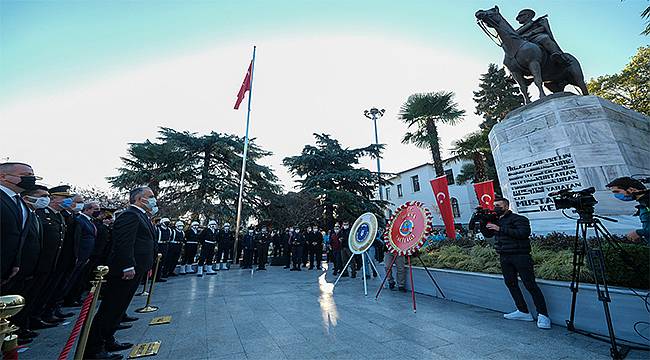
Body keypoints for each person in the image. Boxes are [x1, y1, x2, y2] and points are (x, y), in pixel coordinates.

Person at [85, 186, 157, 360]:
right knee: (110, 308)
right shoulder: (130, 215)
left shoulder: (141, 215)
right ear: (140, 199)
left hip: (136, 268)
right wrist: (127, 265)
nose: (155, 199)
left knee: (119, 307)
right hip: (126, 270)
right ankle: (94, 349)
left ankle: (108, 339)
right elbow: (124, 243)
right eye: (151, 196)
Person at [481, 197, 550, 330]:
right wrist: (483, 221)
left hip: (520, 255)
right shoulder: (497, 220)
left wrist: (499, 228)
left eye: (498, 205)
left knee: (530, 284)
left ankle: (543, 315)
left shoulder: (519, 219)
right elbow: (488, 234)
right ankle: (523, 311)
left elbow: (523, 233)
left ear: (506, 206)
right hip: (504, 256)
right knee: (510, 283)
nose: (495, 207)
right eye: (494, 205)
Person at [11, 185, 46, 344]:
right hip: (18, 266)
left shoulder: (33, 215)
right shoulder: (20, 212)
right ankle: (13, 332)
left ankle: (22, 327)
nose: (46, 199)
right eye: (43, 195)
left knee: (28, 298)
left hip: (34, 266)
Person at [0, 162, 37, 291]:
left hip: (8, 270)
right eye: (25, 175)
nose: (31, 179)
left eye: (32, 175)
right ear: (3, 176)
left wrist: (15, 263)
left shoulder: (20, 201)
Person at [607, 177, 649, 244]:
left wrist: (638, 233)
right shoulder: (644, 203)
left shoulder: (647, 203)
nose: (616, 195)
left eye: (617, 192)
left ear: (631, 189)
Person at [154, 218, 173, 282]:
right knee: (156, 262)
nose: (167, 223)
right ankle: (153, 277)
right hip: (159, 245)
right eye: (166, 222)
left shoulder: (169, 230)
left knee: (162, 262)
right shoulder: (157, 229)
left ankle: (158, 276)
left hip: (165, 246)